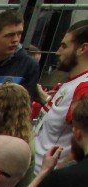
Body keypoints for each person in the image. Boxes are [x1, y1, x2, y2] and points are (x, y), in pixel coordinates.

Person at [33, 22, 88, 175]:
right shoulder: (71, 82)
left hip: (42, 177)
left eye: (64, 46)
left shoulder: (83, 87)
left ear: (83, 49)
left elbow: (81, 140)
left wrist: (54, 178)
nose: (58, 52)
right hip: (33, 172)